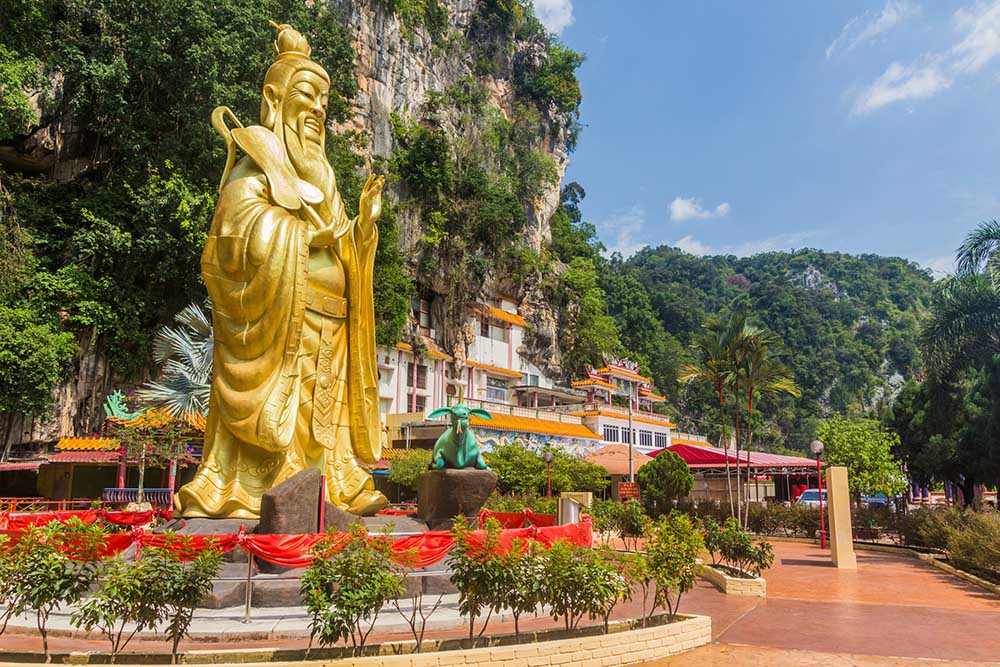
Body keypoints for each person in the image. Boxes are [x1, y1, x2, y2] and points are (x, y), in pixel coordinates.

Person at [177, 22, 388, 518]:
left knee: (322, 420)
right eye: (307, 96)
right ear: (275, 99)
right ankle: (256, 492)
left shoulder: (323, 173)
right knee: (285, 414)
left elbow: (340, 246)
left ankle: (332, 489)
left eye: (324, 102)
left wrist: (362, 232)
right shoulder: (259, 160)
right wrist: (301, 237)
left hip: (331, 325)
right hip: (281, 318)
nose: (317, 110)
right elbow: (234, 230)